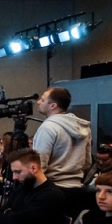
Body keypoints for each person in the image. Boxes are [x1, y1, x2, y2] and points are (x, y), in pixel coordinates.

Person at [32, 87, 92, 216]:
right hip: (76, 189)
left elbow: (39, 165)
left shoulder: (48, 127)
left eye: (42, 99)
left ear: (53, 105)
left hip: (52, 189)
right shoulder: (84, 128)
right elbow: (87, 162)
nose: (38, 102)